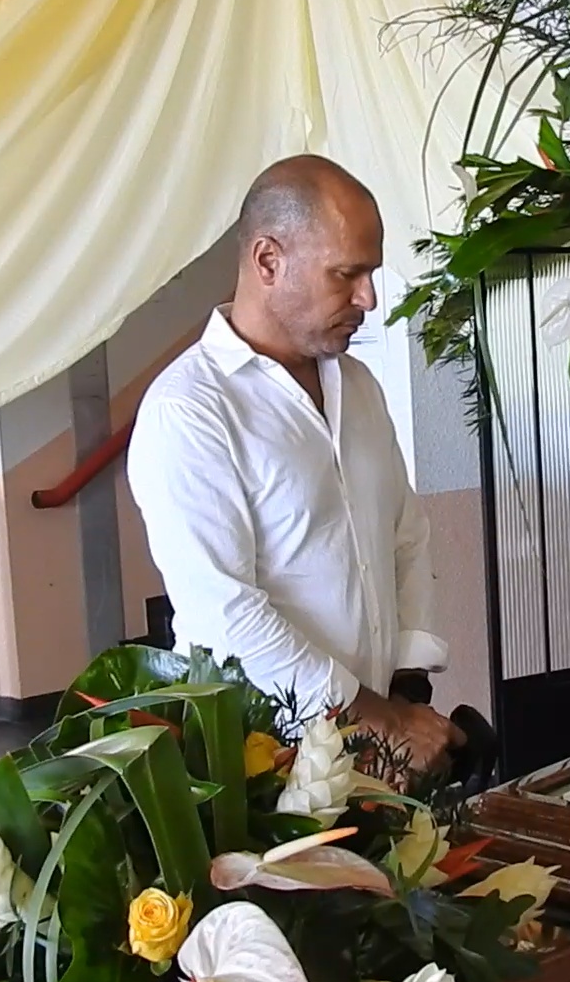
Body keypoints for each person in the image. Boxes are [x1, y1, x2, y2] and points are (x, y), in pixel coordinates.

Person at [127, 155, 464, 773]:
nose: (368, 297)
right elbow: (225, 615)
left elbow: (404, 536)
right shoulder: (190, 410)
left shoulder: (357, 384)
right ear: (267, 261)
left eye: (370, 273)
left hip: (383, 748)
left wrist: (407, 694)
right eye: (346, 274)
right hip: (264, 764)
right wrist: (373, 716)